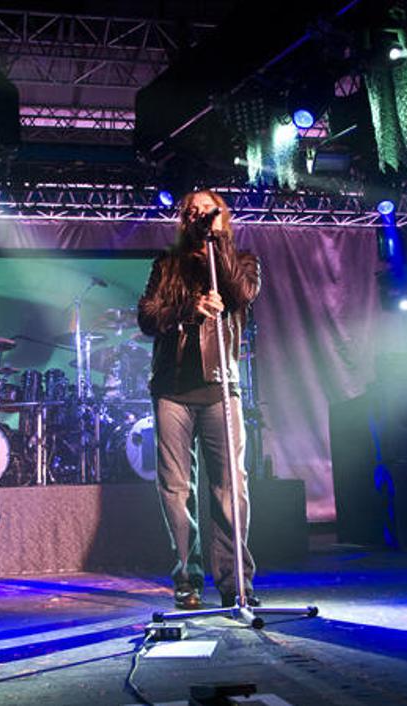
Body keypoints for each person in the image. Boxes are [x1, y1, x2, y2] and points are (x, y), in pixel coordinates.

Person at [137, 189, 261, 609]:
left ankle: (235, 581)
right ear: (184, 219)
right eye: (192, 212)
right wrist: (190, 307)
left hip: (221, 388)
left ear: (222, 215)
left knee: (231, 488)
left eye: (208, 210)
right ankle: (187, 579)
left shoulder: (242, 261)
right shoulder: (166, 264)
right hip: (172, 388)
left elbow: (242, 294)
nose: (200, 216)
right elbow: (147, 317)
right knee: (175, 489)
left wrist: (219, 242)